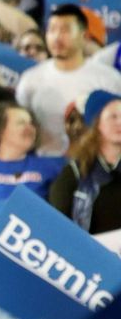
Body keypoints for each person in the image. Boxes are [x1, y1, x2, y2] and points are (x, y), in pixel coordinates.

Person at [17, 4, 121, 156]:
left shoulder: (109, 79)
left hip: (95, 164)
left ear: (84, 36)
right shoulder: (30, 80)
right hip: (46, 164)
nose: (57, 37)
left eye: (65, 30)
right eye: (52, 30)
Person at [50, 90, 121, 234]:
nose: (120, 122)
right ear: (96, 123)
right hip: (91, 253)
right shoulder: (74, 173)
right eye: (113, 117)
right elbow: (57, 228)